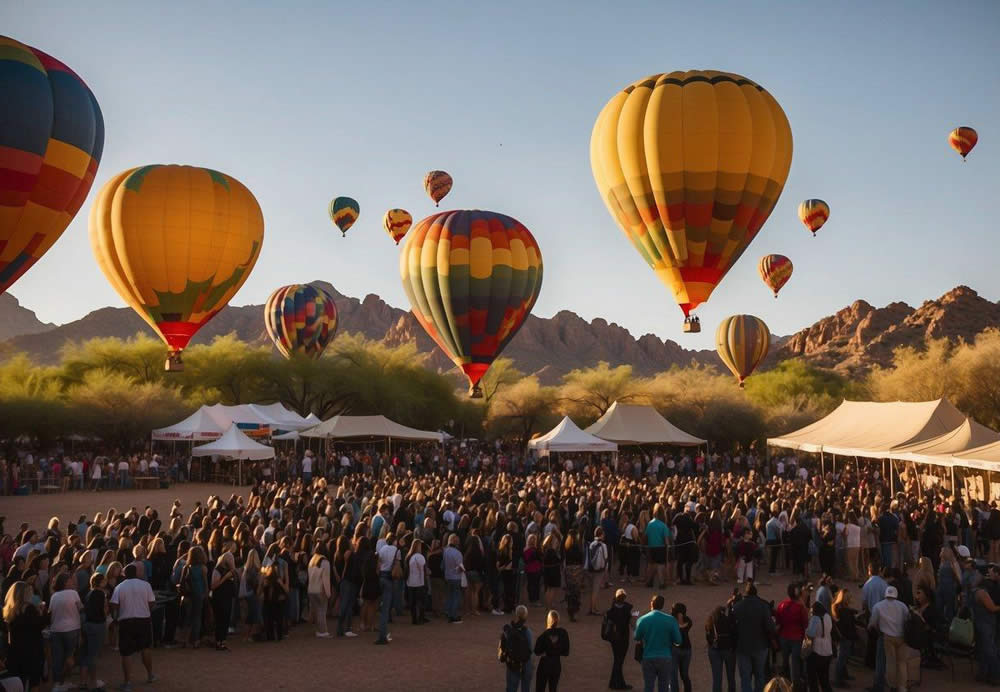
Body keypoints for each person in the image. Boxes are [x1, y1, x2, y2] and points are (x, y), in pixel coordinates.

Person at [110, 563, 156, 691]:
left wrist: (119, 611)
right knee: (145, 648)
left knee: (126, 652)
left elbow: (114, 604)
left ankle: (127, 682)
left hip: (126, 621)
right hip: (143, 620)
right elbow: (152, 602)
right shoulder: (145, 585)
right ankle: (150, 675)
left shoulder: (119, 587)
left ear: (125, 574)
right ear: (136, 573)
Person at [3, 581, 47, 691]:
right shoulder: (29, 609)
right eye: (29, 591)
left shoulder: (9, 610)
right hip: (32, 650)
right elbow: (39, 625)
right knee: (34, 681)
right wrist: (42, 612)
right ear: (24, 594)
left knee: (20, 682)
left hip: (15, 651)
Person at [732, 582, 775, 692]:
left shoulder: (737, 607)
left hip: (743, 647)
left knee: (745, 678)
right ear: (756, 593)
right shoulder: (763, 606)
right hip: (760, 646)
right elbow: (770, 627)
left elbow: (732, 627)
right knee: (760, 675)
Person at [634, 594, 682, 692]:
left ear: (651, 604)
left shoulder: (642, 619)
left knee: (648, 686)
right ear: (662, 605)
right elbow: (678, 641)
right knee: (664, 687)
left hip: (648, 657)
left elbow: (636, 637)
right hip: (665, 657)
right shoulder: (671, 620)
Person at [868, 585, 910, 692]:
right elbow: (907, 620)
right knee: (902, 663)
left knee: (890, 663)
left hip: (887, 637)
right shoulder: (903, 606)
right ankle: (902, 687)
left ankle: (892, 686)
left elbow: (872, 623)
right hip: (902, 637)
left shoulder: (878, 606)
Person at [48, 571, 83, 692]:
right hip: (72, 629)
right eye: (69, 580)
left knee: (57, 658)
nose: (72, 582)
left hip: (56, 629)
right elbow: (81, 608)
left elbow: (50, 613)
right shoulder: (73, 593)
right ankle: (65, 680)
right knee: (70, 656)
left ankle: (58, 683)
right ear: (64, 582)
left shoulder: (54, 596)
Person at [970, 564, 1000, 685]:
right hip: (984, 623)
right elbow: (992, 608)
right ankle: (987, 674)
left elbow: (992, 608)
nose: (974, 576)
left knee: (988, 650)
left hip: (985, 623)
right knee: (986, 649)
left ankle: (995, 675)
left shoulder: (981, 591)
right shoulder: (981, 590)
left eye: (976, 574)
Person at [774, 582, 808, 686]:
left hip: (784, 636)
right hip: (797, 638)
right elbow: (805, 623)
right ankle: (795, 684)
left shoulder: (782, 605)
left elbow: (778, 621)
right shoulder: (800, 607)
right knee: (795, 663)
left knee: (785, 662)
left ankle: (785, 683)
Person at [83, 572, 109, 692]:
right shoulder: (100, 593)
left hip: (88, 624)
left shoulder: (89, 593)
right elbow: (103, 610)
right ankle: (93, 682)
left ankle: (84, 681)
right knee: (93, 655)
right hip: (97, 624)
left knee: (88, 654)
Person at [499, 605, 534, 692]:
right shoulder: (527, 631)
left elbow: (502, 647)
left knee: (511, 688)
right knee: (525, 688)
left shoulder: (508, 631)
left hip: (513, 662)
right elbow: (530, 649)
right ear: (526, 616)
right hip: (526, 662)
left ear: (516, 615)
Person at [605, 588, 634, 690]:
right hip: (623, 638)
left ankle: (617, 683)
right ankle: (617, 684)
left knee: (617, 660)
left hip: (614, 639)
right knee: (619, 661)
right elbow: (632, 623)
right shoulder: (627, 608)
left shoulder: (611, 611)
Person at [534, 609, 570, 691]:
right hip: (556, 664)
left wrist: (547, 651)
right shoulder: (563, 633)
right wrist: (556, 650)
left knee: (540, 688)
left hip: (544, 664)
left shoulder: (543, 635)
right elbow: (566, 652)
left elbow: (537, 651)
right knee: (553, 689)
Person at [706, 601, 737, 692]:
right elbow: (735, 635)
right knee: (731, 676)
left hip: (714, 650)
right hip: (728, 649)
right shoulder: (728, 621)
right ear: (724, 611)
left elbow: (708, 638)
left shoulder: (710, 622)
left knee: (717, 678)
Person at [830, 588, 858, 687]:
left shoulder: (838, 608)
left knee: (842, 658)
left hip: (843, 637)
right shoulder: (843, 610)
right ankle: (838, 680)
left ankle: (842, 676)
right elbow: (847, 625)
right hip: (845, 638)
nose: (850, 598)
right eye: (848, 597)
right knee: (841, 659)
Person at [210, 551, 237, 651]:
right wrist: (225, 578)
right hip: (219, 598)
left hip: (228, 597)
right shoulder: (217, 570)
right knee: (219, 620)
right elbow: (213, 586)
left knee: (226, 619)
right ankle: (218, 642)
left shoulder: (230, 570)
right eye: (230, 559)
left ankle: (223, 641)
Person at [804, 600, 834, 692]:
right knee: (824, 679)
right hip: (828, 651)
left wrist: (805, 631)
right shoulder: (828, 616)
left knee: (812, 679)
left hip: (816, 652)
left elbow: (810, 634)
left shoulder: (815, 618)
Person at [307, 546, 332, 637]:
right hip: (320, 589)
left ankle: (319, 630)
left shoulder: (312, 560)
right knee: (322, 610)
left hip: (311, 589)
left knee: (316, 610)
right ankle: (323, 631)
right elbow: (325, 578)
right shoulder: (325, 562)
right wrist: (328, 593)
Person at [644, 507, 669, 589]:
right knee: (660, 566)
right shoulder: (663, 525)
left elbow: (646, 536)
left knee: (650, 565)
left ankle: (649, 582)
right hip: (660, 548)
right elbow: (666, 540)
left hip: (651, 547)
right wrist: (668, 547)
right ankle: (661, 583)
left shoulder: (650, 524)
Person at [443, 533, 465, 624]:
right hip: (456, 577)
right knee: (456, 596)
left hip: (447, 576)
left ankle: (448, 612)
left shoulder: (445, 551)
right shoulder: (457, 553)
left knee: (449, 595)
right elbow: (460, 567)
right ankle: (454, 616)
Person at [406, 539, 428, 625]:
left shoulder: (409, 556)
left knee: (413, 602)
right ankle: (420, 618)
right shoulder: (419, 556)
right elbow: (422, 569)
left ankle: (414, 619)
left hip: (410, 581)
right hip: (419, 582)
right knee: (420, 601)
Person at [671, 602, 693, 692]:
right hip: (683, 650)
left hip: (681, 650)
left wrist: (679, 619)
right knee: (674, 675)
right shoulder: (686, 620)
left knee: (683, 674)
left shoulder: (687, 621)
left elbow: (680, 632)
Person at [587, 528, 609, 616]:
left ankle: (591, 607)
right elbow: (606, 558)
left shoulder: (591, 544)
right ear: (602, 535)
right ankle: (593, 608)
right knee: (595, 590)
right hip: (599, 570)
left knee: (591, 589)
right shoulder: (603, 545)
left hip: (591, 569)